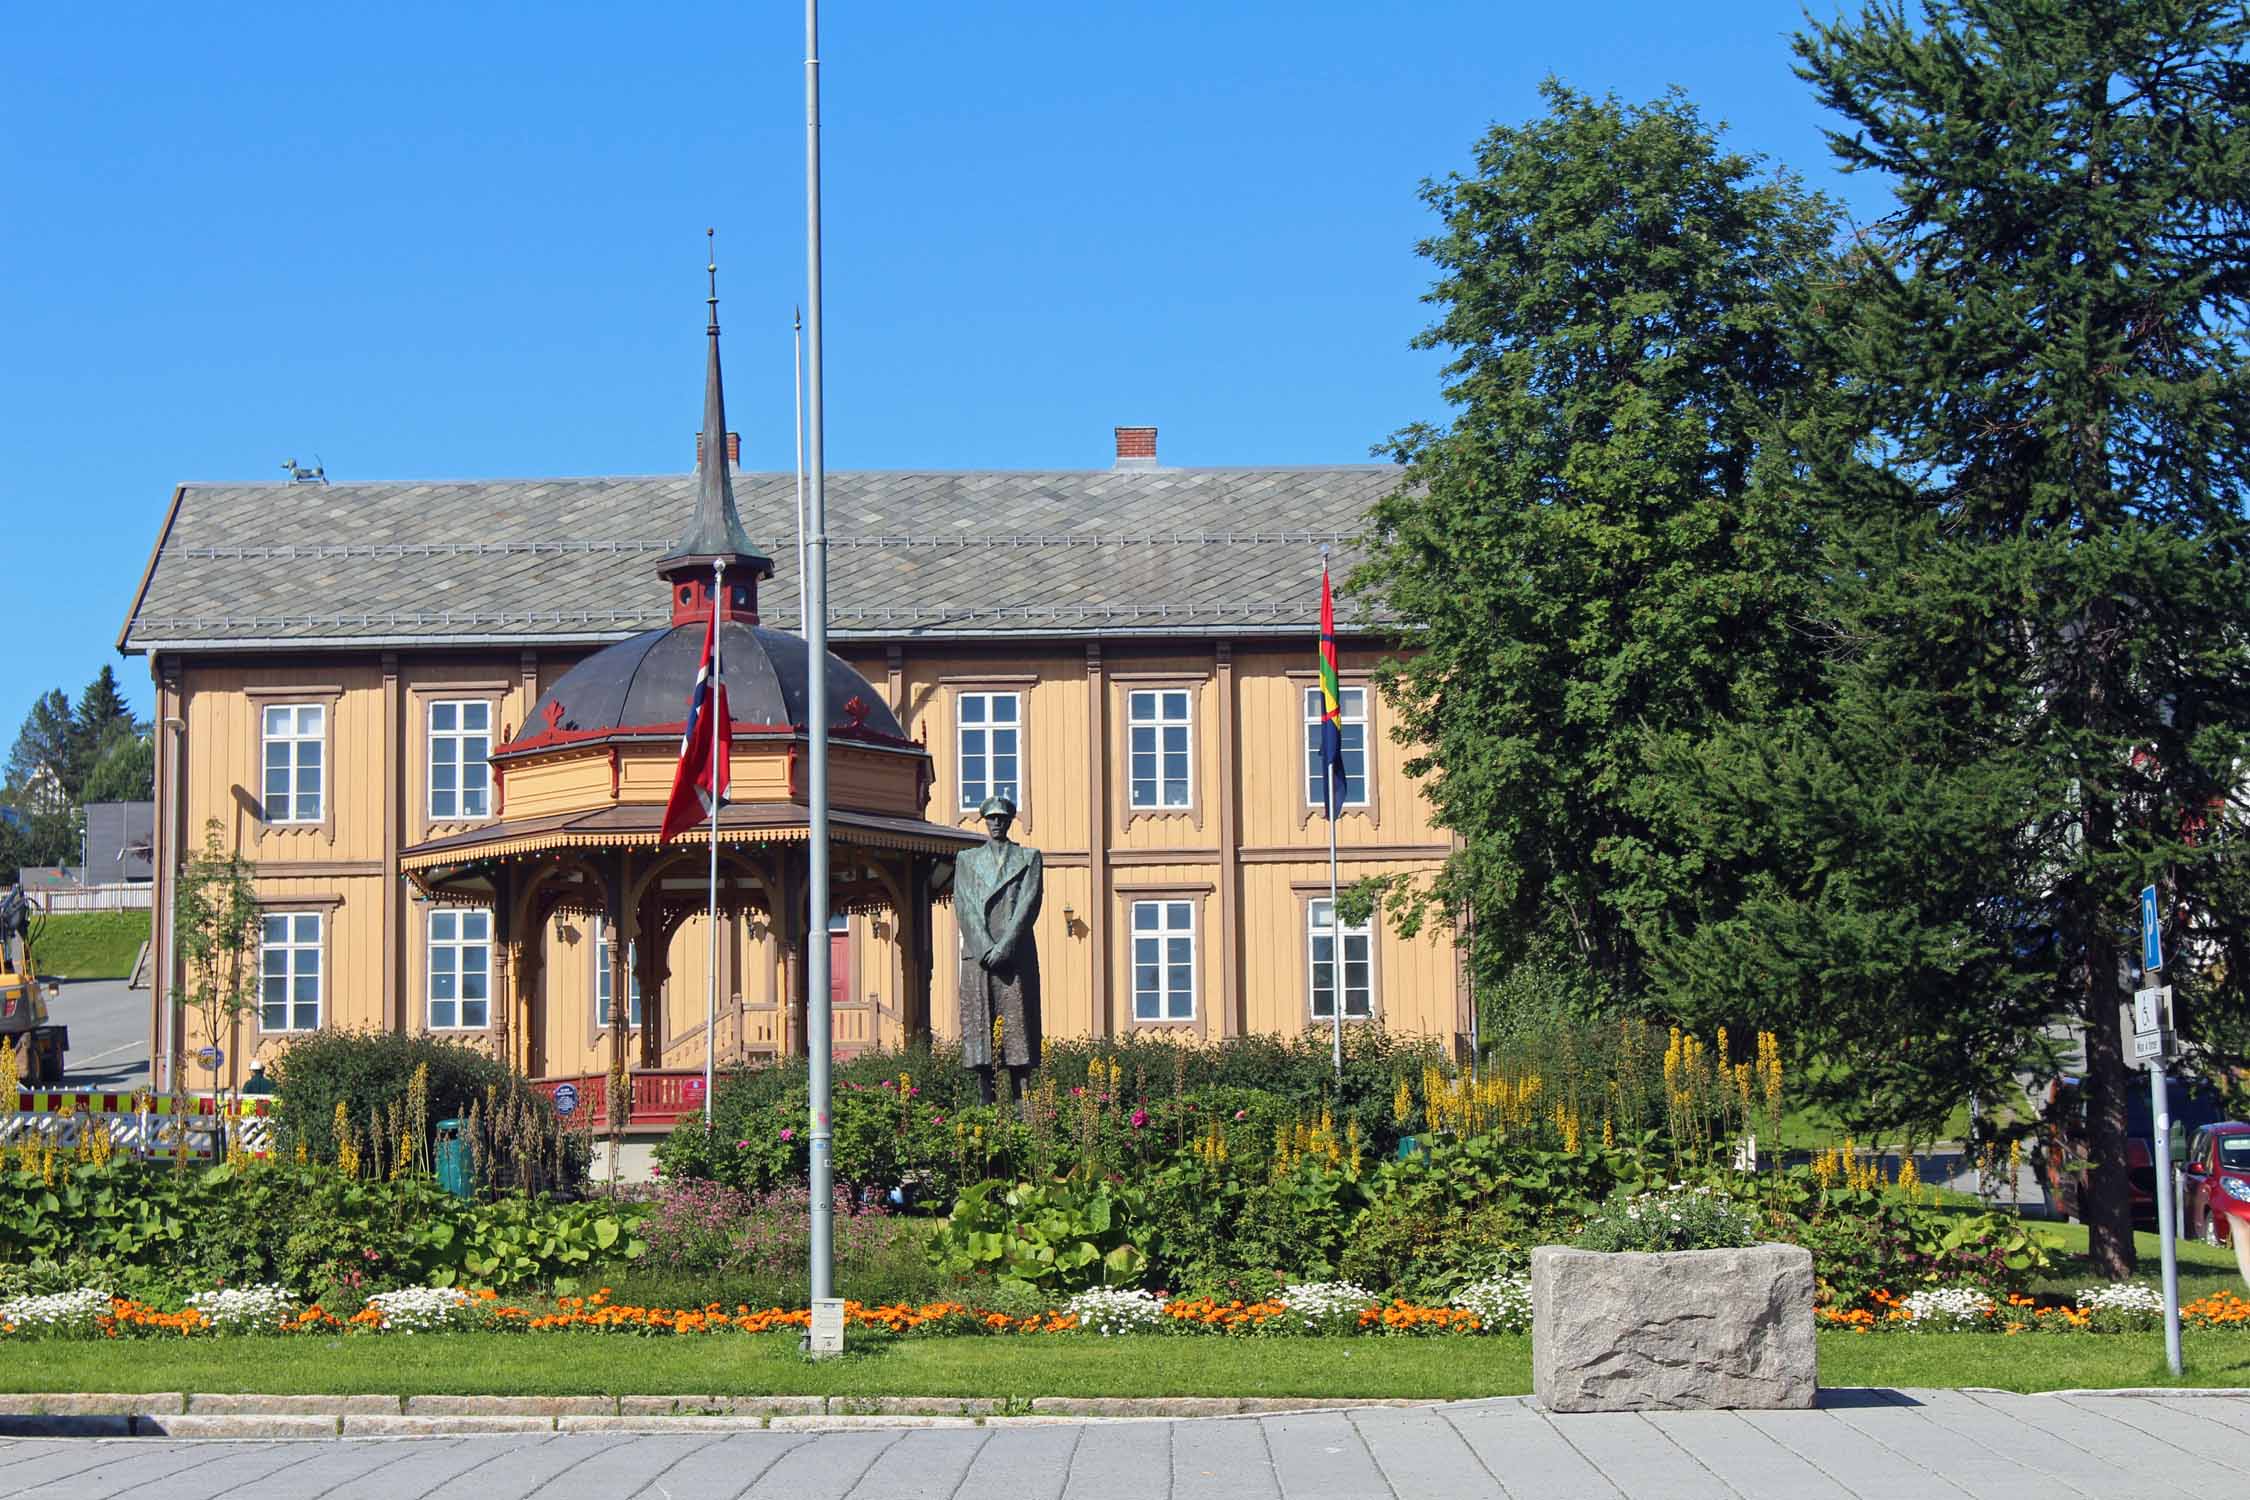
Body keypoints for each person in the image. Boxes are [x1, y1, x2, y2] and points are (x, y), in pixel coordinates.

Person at [953, 794, 1042, 1106]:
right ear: (984, 820)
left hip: (1014, 957)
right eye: (990, 818)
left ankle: (1025, 1109)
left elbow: (1028, 904)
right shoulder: (967, 860)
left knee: (1019, 1040)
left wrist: (1004, 946)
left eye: (1001, 818)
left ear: (1009, 820)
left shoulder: (1029, 858)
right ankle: (984, 1108)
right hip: (980, 959)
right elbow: (965, 906)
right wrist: (986, 947)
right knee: (982, 1041)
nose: (996, 823)